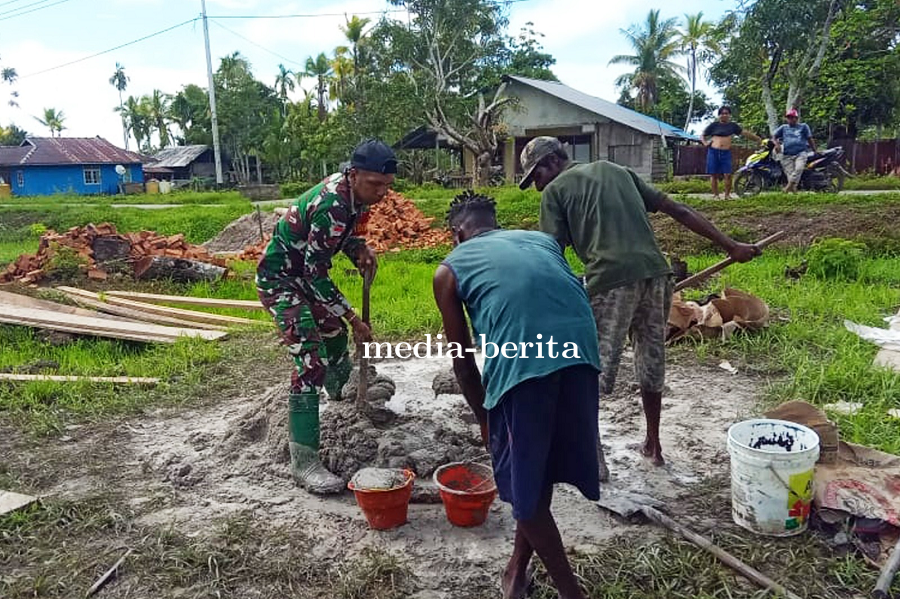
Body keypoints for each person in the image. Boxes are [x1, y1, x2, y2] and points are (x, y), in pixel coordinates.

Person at [519, 136, 761, 470]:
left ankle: (594, 458)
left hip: (610, 283)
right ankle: (653, 444)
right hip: (657, 277)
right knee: (651, 360)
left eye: (535, 177)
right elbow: (679, 209)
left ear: (550, 163)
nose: (536, 187)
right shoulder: (616, 171)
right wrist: (731, 245)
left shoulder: (555, 192)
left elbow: (551, 253)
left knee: (594, 370)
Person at [433, 191, 602, 599]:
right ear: (496, 224)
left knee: (522, 494)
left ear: (457, 234)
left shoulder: (449, 270)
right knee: (535, 474)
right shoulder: (543, 241)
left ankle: (570, 593)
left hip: (525, 366)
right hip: (582, 354)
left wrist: (484, 416)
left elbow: (463, 360)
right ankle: (515, 571)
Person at [255, 138, 396, 495]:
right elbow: (315, 271)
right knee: (309, 358)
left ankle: (341, 390)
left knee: (330, 329)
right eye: (375, 184)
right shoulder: (333, 203)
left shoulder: (355, 199)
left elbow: (343, 238)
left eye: (387, 186)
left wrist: (359, 249)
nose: (381, 193)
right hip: (281, 280)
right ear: (353, 174)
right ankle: (304, 462)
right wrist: (353, 317)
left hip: (304, 275)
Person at [701, 106, 762, 199]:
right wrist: (705, 143)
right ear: (719, 115)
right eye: (722, 113)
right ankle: (715, 195)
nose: (724, 115)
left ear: (729, 115)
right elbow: (702, 135)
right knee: (714, 174)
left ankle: (727, 195)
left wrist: (757, 139)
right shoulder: (714, 125)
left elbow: (744, 133)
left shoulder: (732, 126)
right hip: (713, 151)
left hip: (726, 152)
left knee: (728, 174)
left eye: (726, 113)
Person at [773, 108, 817, 193]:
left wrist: (815, 150)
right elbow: (774, 136)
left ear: (796, 118)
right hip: (787, 155)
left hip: (800, 153)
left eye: (792, 117)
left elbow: (810, 139)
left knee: (799, 169)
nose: (790, 119)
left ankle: (787, 187)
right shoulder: (783, 127)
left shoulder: (803, 126)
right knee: (790, 174)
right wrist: (777, 144)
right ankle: (794, 192)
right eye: (788, 117)